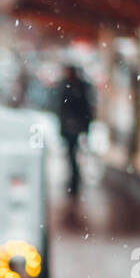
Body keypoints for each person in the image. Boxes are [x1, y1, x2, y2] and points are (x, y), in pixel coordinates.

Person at [56, 64, 94, 200]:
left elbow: (85, 108)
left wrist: (84, 126)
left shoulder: (77, 88)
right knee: (72, 154)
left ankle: (75, 180)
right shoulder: (69, 87)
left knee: (73, 154)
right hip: (71, 127)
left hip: (75, 127)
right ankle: (74, 180)